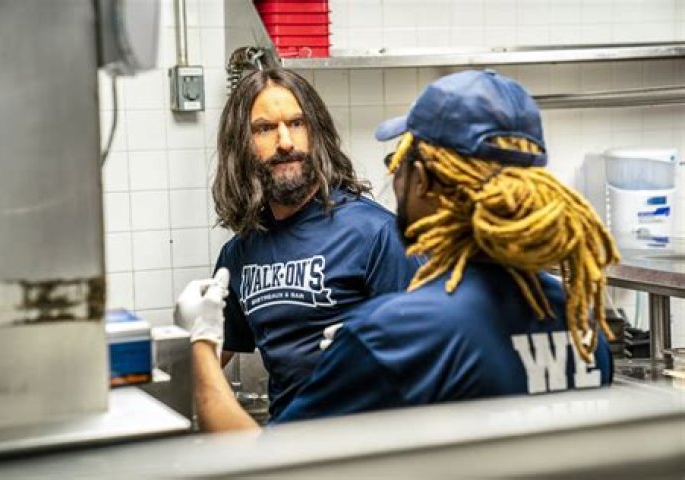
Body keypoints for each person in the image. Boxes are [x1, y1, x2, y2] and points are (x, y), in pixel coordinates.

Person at [177, 69, 619, 432]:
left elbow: (269, 465)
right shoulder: (583, 324)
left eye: (400, 162)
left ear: (422, 181)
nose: (394, 176)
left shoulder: (393, 332)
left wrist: (200, 341)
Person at [194, 68, 419, 422]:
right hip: (287, 442)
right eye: (264, 128)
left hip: (366, 443)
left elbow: (426, 363)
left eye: (297, 123)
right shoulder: (238, 254)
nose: (286, 142)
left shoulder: (376, 234)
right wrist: (190, 334)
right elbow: (207, 364)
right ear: (241, 145)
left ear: (317, 133)